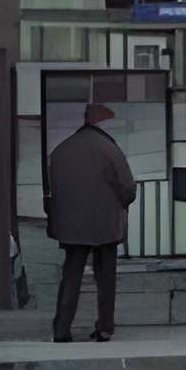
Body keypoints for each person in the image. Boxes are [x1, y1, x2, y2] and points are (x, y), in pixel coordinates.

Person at [44, 102, 137, 344]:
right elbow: (128, 189)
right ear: (101, 123)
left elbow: (52, 192)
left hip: (72, 226)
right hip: (105, 224)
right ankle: (104, 328)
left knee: (71, 276)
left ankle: (61, 330)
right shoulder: (110, 150)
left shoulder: (60, 151)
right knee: (106, 278)